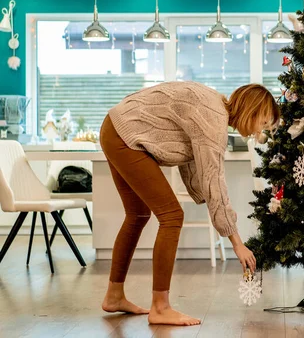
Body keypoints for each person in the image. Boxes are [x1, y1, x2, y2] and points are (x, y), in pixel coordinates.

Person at [99, 82, 280, 326]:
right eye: (264, 123)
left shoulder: (214, 107)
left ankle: (114, 296)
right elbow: (214, 181)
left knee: (138, 215)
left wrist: (220, 209)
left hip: (116, 127)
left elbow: (201, 172)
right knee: (172, 216)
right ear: (253, 111)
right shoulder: (214, 120)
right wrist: (237, 243)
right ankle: (160, 307)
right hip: (125, 135)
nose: (260, 133)